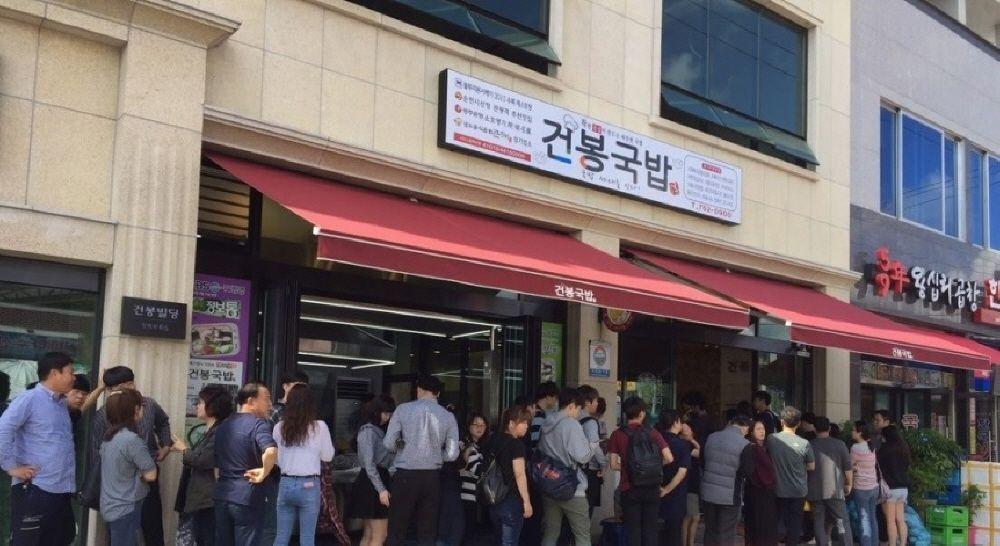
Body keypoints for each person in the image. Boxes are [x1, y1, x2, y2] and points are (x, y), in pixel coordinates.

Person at [86, 365, 172, 546]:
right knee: (121, 533)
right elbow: (96, 453)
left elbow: (163, 422)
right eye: (120, 387)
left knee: (152, 526)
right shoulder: (103, 414)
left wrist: (165, 446)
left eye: (129, 383)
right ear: (110, 390)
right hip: (119, 484)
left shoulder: (148, 405)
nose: (126, 389)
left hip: (147, 475)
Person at [0, 352, 78, 545]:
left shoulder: (60, 404)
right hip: (35, 488)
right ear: (54, 373)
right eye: (70, 372)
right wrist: (10, 467)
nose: (74, 377)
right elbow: (3, 428)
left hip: (61, 490)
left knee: (61, 539)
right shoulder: (29, 399)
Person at [383, 374, 460, 546]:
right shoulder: (448, 416)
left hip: (405, 475)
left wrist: (404, 447)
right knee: (427, 531)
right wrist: (434, 454)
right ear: (437, 393)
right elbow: (452, 454)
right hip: (432, 477)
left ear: (418, 390)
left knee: (397, 529)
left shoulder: (402, 409)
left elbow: (389, 443)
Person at [213, 381, 278, 546]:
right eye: (266, 399)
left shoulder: (223, 425)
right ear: (251, 401)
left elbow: (216, 465)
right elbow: (271, 451)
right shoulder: (258, 424)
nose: (270, 405)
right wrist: (264, 472)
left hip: (222, 494)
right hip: (247, 496)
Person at [273, 384, 335, 546]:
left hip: (285, 482)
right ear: (311, 404)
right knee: (307, 538)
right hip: (309, 484)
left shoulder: (279, 427)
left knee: (281, 536)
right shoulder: (320, 427)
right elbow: (328, 456)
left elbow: (275, 459)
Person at [172, 385, 234, 546]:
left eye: (200, 402)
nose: (197, 406)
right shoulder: (210, 431)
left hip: (208, 499)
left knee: (207, 537)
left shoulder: (220, 431)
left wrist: (183, 449)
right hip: (201, 498)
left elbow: (202, 460)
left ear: (212, 406)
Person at [607, 396, 672, 546]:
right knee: (650, 530)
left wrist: (631, 468)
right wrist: (652, 467)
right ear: (642, 413)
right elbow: (669, 458)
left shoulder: (617, 434)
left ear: (625, 413)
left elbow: (613, 464)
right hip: (652, 488)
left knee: (633, 531)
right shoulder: (653, 432)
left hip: (629, 488)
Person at [537, 388, 596, 546]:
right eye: (578, 409)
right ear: (571, 406)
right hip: (571, 488)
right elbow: (582, 456)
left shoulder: (547, 422)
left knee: (550, 533)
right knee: (582, 535)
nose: (578, 413)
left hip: (549, 485)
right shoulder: (571, 424)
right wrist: (592, 446)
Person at [100, 388, 159, 546]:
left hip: (110, 504)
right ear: (135, 409)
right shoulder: (132, 440)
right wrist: (141, 473)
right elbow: (151, 475)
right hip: (126, 506)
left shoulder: (109, 437)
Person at [766, 406, 816, 546]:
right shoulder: (804, 443)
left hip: (778, 489)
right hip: (799, 491)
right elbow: (812, 466)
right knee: (795, 524)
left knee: (775, 521)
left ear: (782, 422)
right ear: (798, 423)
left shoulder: (771, 439)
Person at [701, 415, 752, 546]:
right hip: (730, 496)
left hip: (708, 493)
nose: (747, 433)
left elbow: (702, 462)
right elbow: (747, 471)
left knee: (710, 531)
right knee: (726, 533)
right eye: (747, 430)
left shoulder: (711, 437)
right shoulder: (744, 444)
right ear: (744, 427)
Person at [352, 394, 396, 546]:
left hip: (372, 480)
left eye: (390, 413)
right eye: (385, 413)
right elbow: (369, 464)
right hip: (374, 481)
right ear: (376, 411)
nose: (387, 417)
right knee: (380, 535)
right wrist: (381, 489)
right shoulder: (369, 431)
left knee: (369, 534)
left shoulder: (375, 430)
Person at [490, 405, 535, 546]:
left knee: (498, 541)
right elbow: (520, 474)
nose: (526, 426)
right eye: (523, 422)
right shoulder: (516, 445)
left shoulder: (492, 440)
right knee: (509, 542)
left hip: (492, 498)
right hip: (511, 499)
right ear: (511, 424)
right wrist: (526, 502)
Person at [807, 417, 853, 546]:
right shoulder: (840, 444)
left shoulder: (809, 445)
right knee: (841, 521)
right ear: (830, 428)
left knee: (819, 521)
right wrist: (849, 484)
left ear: (814, 429)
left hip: (814, 490)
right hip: (835, 490)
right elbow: (848, 468)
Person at [657, 409, 691, 546]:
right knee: (674, 534)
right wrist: (667, 489)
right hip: (675, 496)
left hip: (653, 491)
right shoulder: (682, 445)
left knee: (656, 534)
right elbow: (681, 473)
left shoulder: (656, 440)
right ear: (676, 422)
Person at [743, 420, 778, 546]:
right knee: (756, 523)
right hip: (755, 491)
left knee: (766, 524)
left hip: (767, 492)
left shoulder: (766, 448)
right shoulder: (750, 448)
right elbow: (749, 470)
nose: (762, 431)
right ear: (751, 432)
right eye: (758, 429)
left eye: (763, 429)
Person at [877, 425, 911, 546]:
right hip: (903, 488)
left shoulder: (884, 449)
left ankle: (892, 544)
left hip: (890, 489)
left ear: (885, 436)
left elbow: (878, 467)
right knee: (900, 519)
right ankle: (902, 544)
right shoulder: (904, 448)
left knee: (890, 521)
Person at [459, 413, 489, 544]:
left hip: (476, 495)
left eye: (482, 425)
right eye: (476, 424)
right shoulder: (466, 445)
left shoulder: (481, 446)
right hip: (467, 494)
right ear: (469, 426)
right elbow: (477, 471)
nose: (479, 428)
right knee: (468, 532)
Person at [577, 385, 607, 514]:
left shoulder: (571, 419)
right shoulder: (590, 422)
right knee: (586, 510)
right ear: (587, 402)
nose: (597, 403)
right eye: (595, 401)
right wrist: (604, 464)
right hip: (588, 470)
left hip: (572, 470)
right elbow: (595, 446)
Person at [850, 421, 879, 546]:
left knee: (864, 519)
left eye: (853, 430)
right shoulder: (871, 446)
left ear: (860, 433)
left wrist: (856, 467)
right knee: (872, 518)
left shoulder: (855, 448)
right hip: (874, 487)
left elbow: (850, 466)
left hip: (861, 488)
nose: (851, 432)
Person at [679, 420, 702, 546]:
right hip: (688, 484)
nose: (690, 431)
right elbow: (699, 453)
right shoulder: (684, 446)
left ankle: (689, 542)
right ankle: (688, 543)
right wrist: (692, 440)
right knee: (692, 516)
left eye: (690, 428)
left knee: (691, 516)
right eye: (686, 429)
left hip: (693, 483)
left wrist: (692, 440)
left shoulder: (689, 444)